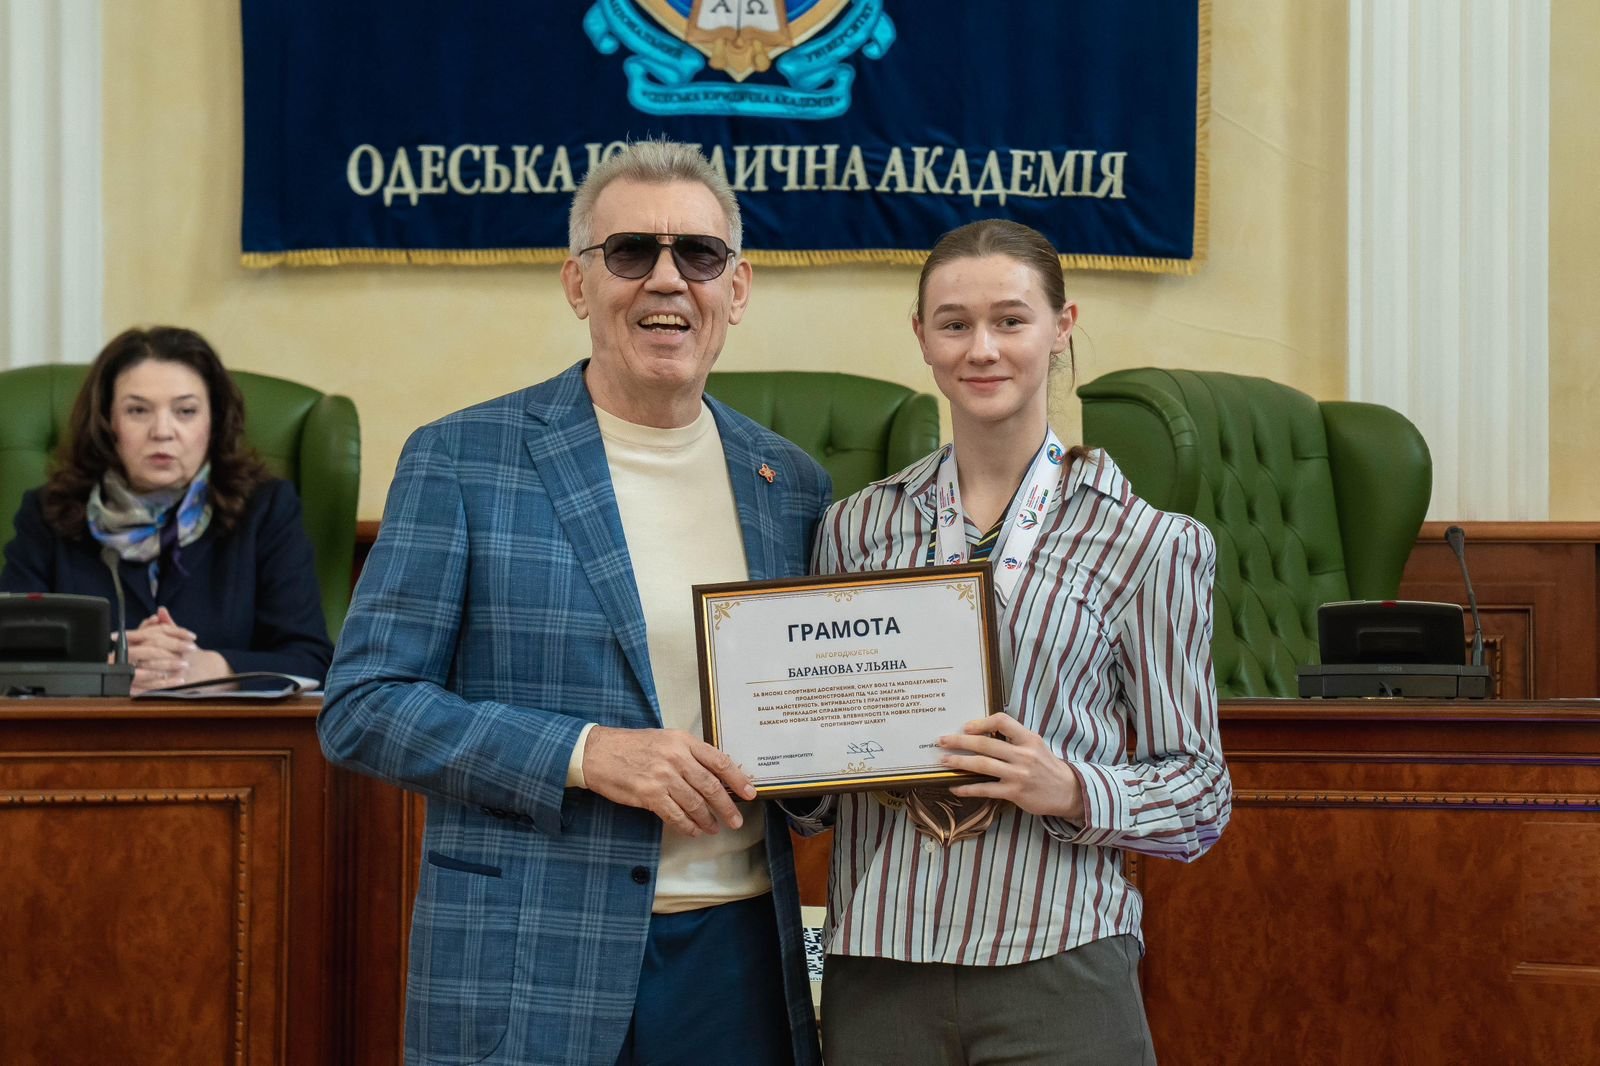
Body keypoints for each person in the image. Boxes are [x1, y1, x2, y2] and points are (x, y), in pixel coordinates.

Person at [317, 141, 829, 1066]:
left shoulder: (789, 484)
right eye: (630, 252)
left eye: (698, 255)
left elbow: (809, 713)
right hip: (529, 960)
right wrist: (587, 754)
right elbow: (363, 706)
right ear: (577, 283)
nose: (667, 280)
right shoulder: (462, 458)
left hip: (739, 960)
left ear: (737, 287)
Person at [795, 220, 1232, 1065]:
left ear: (1061, 328)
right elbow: (822, 779)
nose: (982, 349)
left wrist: (1070, 787)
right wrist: (789, 761)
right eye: (954, 324)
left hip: (1060, 959)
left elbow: (1201, 797)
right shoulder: (854, 529)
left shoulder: (1152, 543)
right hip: (881, 959)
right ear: (921, 336)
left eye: (1010, 320)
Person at [0, 326, 333, 692]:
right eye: (138, 410)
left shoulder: (266, 510)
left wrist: (216, 668)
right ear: (107, 422)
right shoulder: (49, 513)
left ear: (214, 421)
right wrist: (103, 668)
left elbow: (312, 659)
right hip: (86, 726)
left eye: (185, 411)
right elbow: (9, 657)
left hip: (222, 727)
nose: (162, 431)